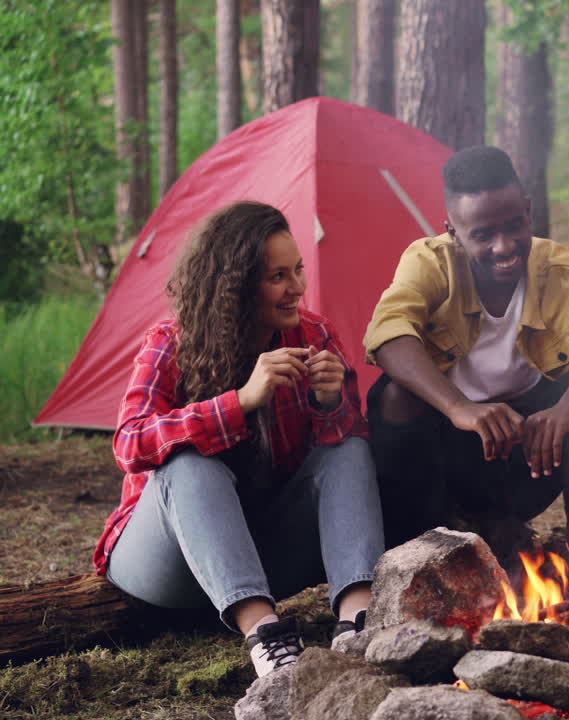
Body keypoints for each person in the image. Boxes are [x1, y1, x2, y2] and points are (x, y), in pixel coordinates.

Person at [94, 202, 384, 678]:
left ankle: (357, 621)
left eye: (298, 270)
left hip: (265, 550)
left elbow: (345, 452)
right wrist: (240, 401)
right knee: (188, 463)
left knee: (349, 448)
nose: (297, 288)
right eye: (278, 276)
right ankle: (267, 638)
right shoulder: (172, 343)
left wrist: (332, 403)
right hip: (166, 563)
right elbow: (130, 443)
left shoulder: (313, 334)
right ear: (235, 286)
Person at [364, 145, 569, 591]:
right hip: (446, 462)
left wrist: (568, 407)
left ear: (528, 212)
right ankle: (419, 556)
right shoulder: (428, 262)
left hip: (531, 454)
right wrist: (458, 406)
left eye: (514, 227)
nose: (503, 247)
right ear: (452, 231)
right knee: (396, 395)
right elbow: (387, 332)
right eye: (483, 235)